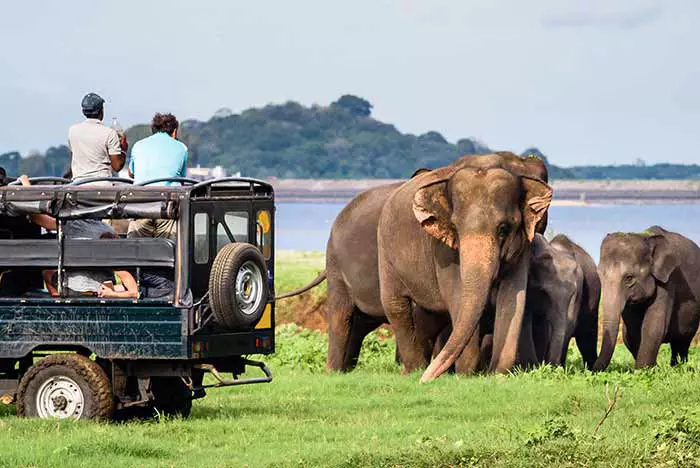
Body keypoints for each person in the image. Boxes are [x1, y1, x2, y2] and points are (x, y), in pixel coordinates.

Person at [65, 93, 125, 239]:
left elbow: (77, 157)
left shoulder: (72, 131)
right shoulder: (109, 133)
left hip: (78, 188)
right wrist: (123, 149)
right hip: (102, 190)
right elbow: (117, 166)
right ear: (101, 111)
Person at [127, 113, 188, 239]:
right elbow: (181, 179)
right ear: (174, 131)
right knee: (169, 251)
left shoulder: (138, 145)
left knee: (136, 251)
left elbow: (131, 173)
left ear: (153, 130)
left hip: (139, 204)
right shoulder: (181, 148)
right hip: (167, 206)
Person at [42, 232, 139, 298]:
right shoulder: (95, 257)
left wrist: (113, 294)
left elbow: (134, 293)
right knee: (47, 273)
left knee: (47, 274)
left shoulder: (118, 266)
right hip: (75, 288)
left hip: (93, 290)